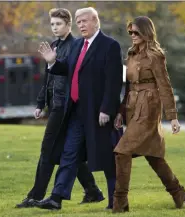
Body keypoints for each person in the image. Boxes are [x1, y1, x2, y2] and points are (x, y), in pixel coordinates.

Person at [15, 8, 104, 209]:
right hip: (55, 104)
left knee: (47, 149)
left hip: (66, 107)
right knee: (69, 152)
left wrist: (54, 61)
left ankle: (35, 196)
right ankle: (93, 191)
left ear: (68, 25)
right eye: (53, 24)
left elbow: (69, 73)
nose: (55, 27)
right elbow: (48, 80)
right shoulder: (54, 45)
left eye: (58, 24)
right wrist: (40, 103)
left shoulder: (75, 46)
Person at [36, 7, 123, 210]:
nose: (81, 25)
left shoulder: (109, 45)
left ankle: (115, 201)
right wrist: (52, 62)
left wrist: (107, 109)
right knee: (69, 153)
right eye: (78, 21)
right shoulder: (78, 46)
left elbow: (114, 81)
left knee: (108, 158)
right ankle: (56, 198)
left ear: (96, 21)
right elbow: (67, 68)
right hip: (76, 111)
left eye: (84, 21)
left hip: (98, 112)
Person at [112, 16, 185, 213]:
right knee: (153, 156)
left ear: (147, 32)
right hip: (132, 107)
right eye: (130, 32)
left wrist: (172, 116)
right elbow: (128, 86)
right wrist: (121, 111)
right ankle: (178, 192)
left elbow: (165, 86)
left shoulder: (156, 56)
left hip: (148, 109)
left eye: (136, 32)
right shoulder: (131, 55)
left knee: (122, 151)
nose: (132, 35)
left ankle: (119, 201)